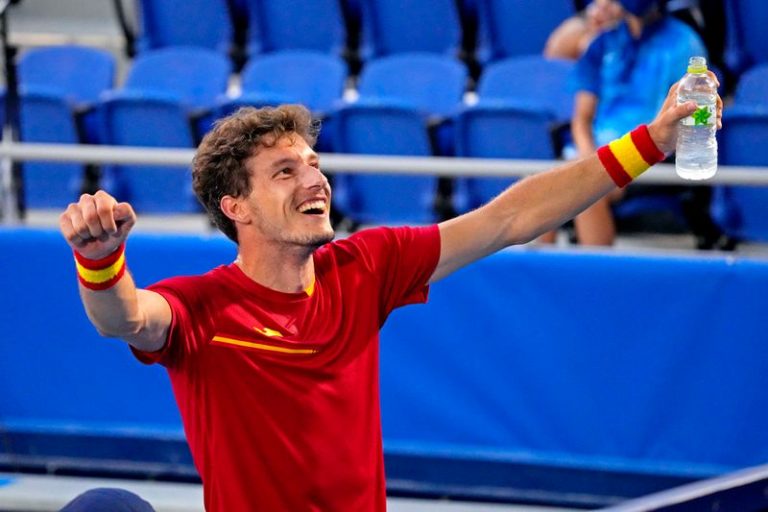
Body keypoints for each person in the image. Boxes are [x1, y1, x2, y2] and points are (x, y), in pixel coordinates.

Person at [59, 81, 721, 509]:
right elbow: (125, 317)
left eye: (314, 164)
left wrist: (652, 142)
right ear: (237, 207)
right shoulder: (202, 307)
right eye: (285, 172)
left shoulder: (365, 266)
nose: (314, 180)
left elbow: (509, 219)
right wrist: (99, 260)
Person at [541, 0, 721, 246]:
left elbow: (690, 118)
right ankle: (538, 268)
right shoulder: (602, 43)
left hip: (650, 151)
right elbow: (581, 119)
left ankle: (597, 269)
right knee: (545, 186)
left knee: (588, 189)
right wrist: (589, 157)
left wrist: (599, 167)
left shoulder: (685, 43)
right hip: (596, 150)